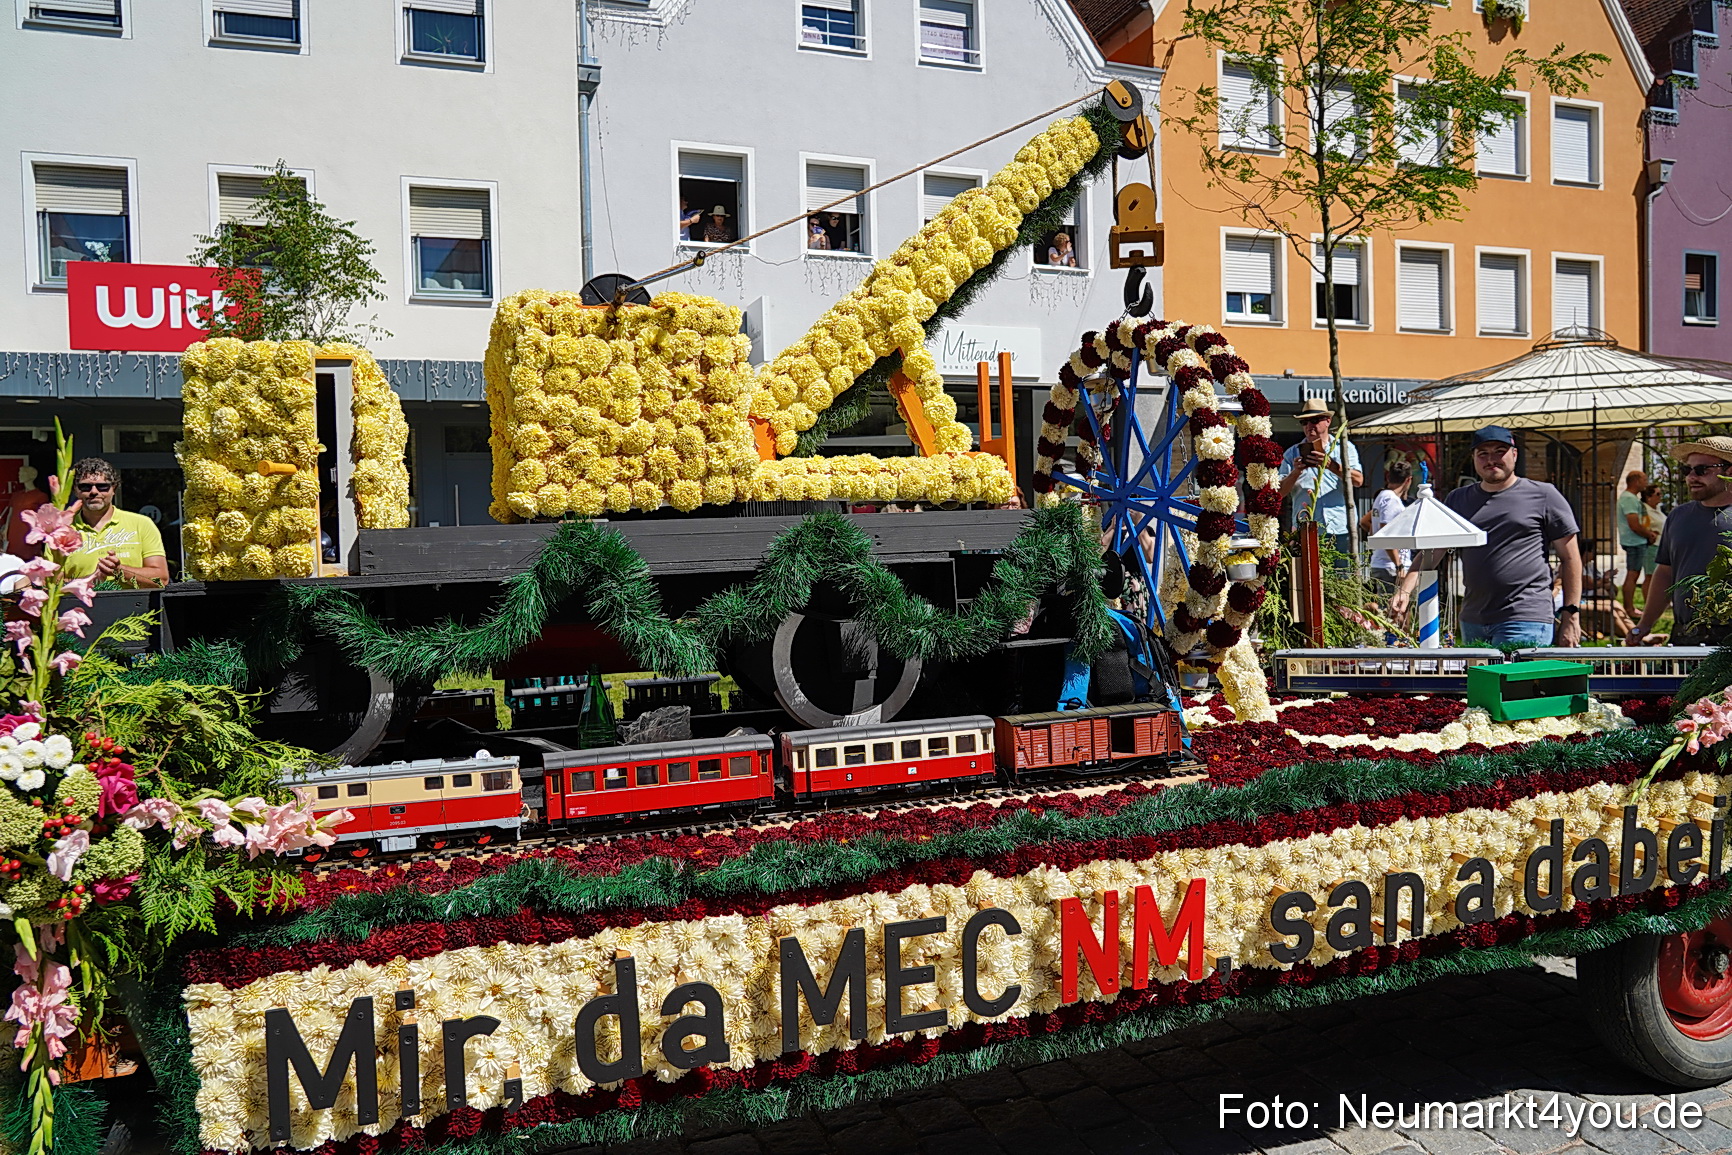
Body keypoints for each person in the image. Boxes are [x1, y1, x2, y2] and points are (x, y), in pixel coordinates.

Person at [1392, 425, 1581, 647]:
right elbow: (1431, 552)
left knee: (1515, 682)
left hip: (1525, 617)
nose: (1491, 460)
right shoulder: (1458, 500)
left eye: (1499, 451)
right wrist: (1404, 591)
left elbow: (1571, 559)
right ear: (1474, 458)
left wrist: (1571, 614)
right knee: (1480, 683)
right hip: (1474, 620)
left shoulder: (1544, 495)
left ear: (1514, 454)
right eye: (1483, 454)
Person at [1628, 436, 1732, 646]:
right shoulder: (1678, 516)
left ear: (1730, 472)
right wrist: (1645, 624)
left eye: (1702, 470)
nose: (1691, 477)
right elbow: (1666, 573)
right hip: (1686, 635)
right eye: (1687, 471)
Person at [60, 458, 169, 589]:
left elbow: (161, 579)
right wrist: (90, 580)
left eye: (102, 486)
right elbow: (50, 583)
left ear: (114, 488)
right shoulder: (62, 529)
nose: (94, 492)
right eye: (85, 486)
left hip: (135, 608)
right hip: (79, 608)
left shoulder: (141, 524)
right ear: (75, 490)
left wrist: (120, 571)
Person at [1277, 397, 1362, 557]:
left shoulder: (1344, 448)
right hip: (1306, 528)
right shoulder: (1292, 453)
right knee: (1309, 578)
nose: (1309, 426)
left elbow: (1358, 480)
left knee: (1341, 577)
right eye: (1305, 422)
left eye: (1315, 420)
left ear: (1328, 421)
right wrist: (1296, 472)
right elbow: (1279, 492)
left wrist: (1331, 465)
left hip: (1339, 527)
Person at [1359, 460, 1413, 594]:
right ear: (1408, 480)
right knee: (1396, 611)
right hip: (1391, 567)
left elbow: (1367, 524)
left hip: (1382, 563)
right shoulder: (1392, 500)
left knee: (1389, 610)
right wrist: (1399, 565)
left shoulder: (1382, 496)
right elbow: (1386, 534)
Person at [1617, 469, 1657, 618]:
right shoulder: (1629, 499)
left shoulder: (1631, 498)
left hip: (1636, 540)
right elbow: (1634, 524)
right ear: (1636, 481)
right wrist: (1649, 534)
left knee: (1634, 574)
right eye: (1644, 480)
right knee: (1632, 575)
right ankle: (1629, 609)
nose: (1646, 483)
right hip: (1634, 541)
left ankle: (1630, 607)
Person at [4, 465, 50, 560]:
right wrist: (6, 530)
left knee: (28, 557)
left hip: (28, 532)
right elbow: (10, 514)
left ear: (31, 476)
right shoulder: (17, 495)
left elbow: (44, 517)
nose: (19, 476)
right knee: (13, 555)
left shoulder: (40, 496)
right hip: (14, 531)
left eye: (22, 473)